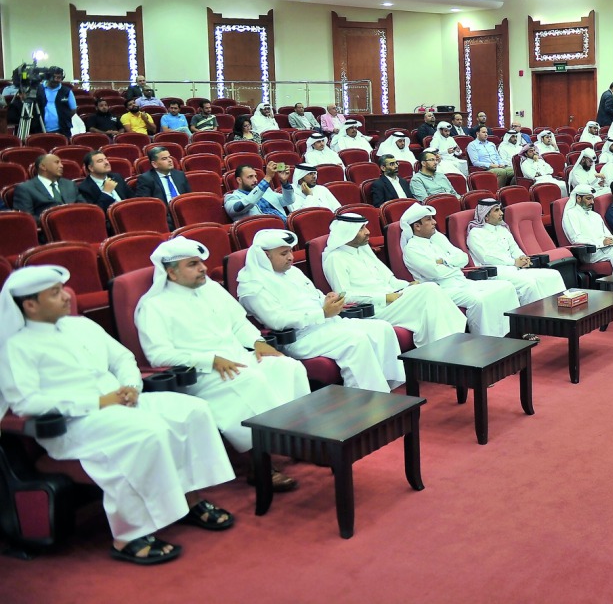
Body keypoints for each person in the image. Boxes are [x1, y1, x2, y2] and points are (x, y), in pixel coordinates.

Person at [0, 265, 236, 566]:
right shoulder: (16, 347)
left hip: (122, 402)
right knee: (147, 430)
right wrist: (97, 402)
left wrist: (130, 386)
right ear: (30, 305)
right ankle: (128, 535)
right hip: (75, 423)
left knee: (193, 410)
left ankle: (191, 500)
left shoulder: (81, 325)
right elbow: (26, 402)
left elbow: (123, 357)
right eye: (55, 294)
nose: (66, 298)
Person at [135, 237, 308, 491]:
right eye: (192, 264)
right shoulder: (153, 306)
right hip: (202, 374)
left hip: (239, 358)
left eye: (201, 263)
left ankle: (301, 440)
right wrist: (209, 360)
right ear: (171, 273)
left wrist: (258, 341)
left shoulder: (211, 288)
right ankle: (259, 463)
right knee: (252, 381)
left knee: (289, 367)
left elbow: (238, 323)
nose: (203, 268)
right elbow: (158, 355)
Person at [237, 229, 405, 392]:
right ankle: (367, 400)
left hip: (327, 324)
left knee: (381, 328)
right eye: (284, 254)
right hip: (299, 337)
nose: (291, 257)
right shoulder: (251, 286)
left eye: (290, 251)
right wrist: (322, 313)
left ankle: (389, 386)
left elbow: (315, 296)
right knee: (356, 339)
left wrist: (327, 300)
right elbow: (277, 321)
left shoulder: (293, 272)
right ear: (265, 256)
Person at [322, 214, 465, 347]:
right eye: (361, 229)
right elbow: (345, 297)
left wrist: (408, 284)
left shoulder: (364, 250)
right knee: (429, 290)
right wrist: (384, 297)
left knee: (429, 287)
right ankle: (448, 346)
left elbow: (390, 280)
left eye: (365, 227)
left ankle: (444, 345)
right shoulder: (335, 259)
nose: (367, 232)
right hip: (375, 309)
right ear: (347, 233)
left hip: (392, 300)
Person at [400, 205, 521, 337]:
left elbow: (463, 258)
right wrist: (454, 265)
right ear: (417, 226)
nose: (434, 222)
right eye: (429, 220)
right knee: (478, 300)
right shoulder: (412, 249)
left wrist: (444, 262)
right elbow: (436, 273)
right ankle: (487, 341)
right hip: (443, 289)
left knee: (506, 286)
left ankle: (514, 333)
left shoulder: (437, 238)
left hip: (462, 282)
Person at [465, 199, 567, 304]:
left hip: (515, 269)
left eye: (500, 209)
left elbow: (514, 248)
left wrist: (522, 258)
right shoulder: (475, 234)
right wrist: (514, 262)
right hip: (495, 272)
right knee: (529, 284)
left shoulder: (503, 229)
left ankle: (560, 309)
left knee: (553, 275)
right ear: (485, 216)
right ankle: (535, 317)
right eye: (496, 210)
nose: (501, 213)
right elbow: (485, 257)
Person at [134, 146, 191, 226]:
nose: (170, 160)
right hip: (165, 217)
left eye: (169, 157)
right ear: (154, 164)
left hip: (185, 211)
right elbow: (145, 205)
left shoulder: (180, 175)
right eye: (164, 159)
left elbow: (189, 196)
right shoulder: (146, 179)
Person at [13, 153, 82, 217]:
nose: (61, 166)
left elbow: (83, 206)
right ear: (43, 166)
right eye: (57, 162)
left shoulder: (70, 184)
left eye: (61, 163)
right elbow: (27, 218)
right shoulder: (25, 189)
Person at [225, 162, 294, 222]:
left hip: (285, 225)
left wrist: (284, 182)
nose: (255, 180)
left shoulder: (266, 191)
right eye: (250, 177)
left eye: (255, 176)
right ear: (239, 180)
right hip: (266, 231)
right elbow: (247, 203)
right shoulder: (231, 197)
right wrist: (268, 177)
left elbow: (288, 200)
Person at [78, 150, 134, 216]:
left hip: (129, 215)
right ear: (91, 168)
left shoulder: (117, 177)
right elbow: (94, 214)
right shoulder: (84, 188)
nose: (106, 162)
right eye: (100, 161)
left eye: (106, 159)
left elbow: (132, 198)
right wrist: (106, 193)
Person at [36, 67, 76, 138]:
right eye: (54, 77)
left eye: (59, 77)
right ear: (48, 77)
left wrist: (63, 118)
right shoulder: (38, 89)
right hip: (39, 129)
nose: (56, 80)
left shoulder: (67, 91)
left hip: (62, 130)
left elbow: (73, 110)